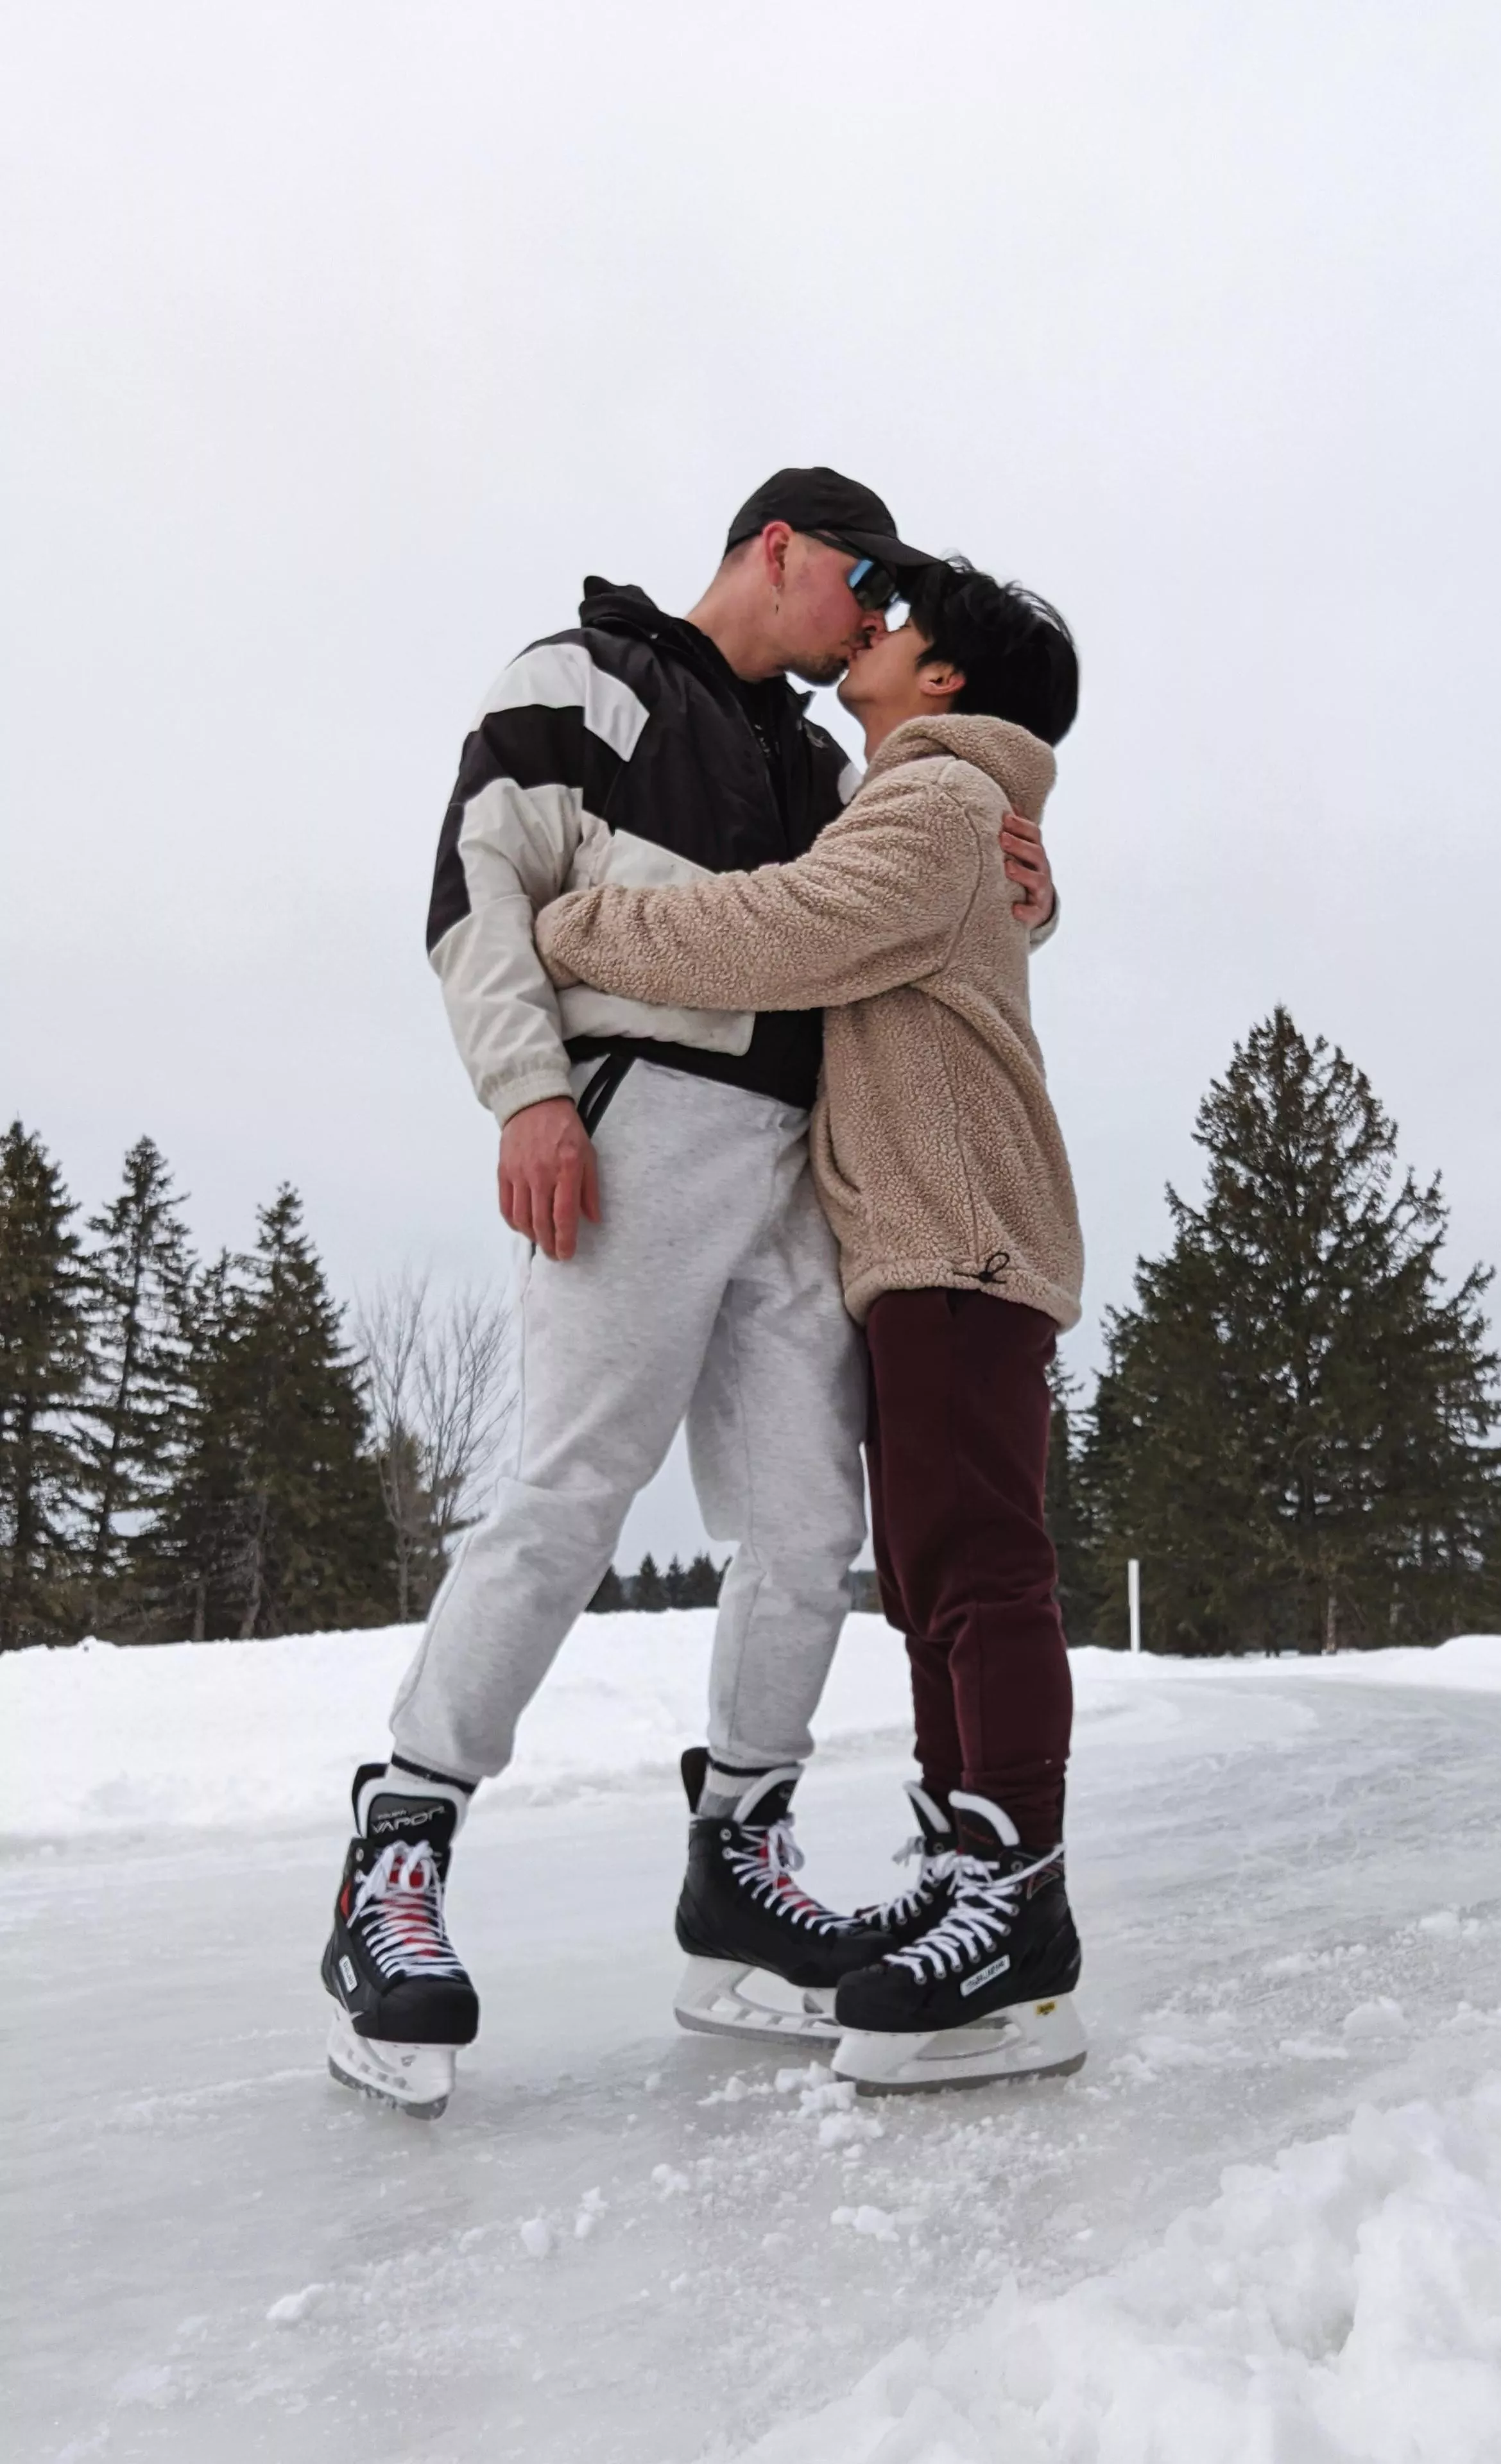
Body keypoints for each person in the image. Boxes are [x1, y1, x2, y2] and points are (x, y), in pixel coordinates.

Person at [320, 474, 1059, 2118]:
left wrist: (1027, 871)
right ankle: (399, 1847)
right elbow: (476, 889)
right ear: (774, 546)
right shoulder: (582, 677)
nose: (871, 621)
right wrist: (526, 1094)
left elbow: (902, 900)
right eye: (857, 583)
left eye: (893, 608)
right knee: (572, 1493)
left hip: (802, 1164)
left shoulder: (820, 763)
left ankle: (739, 1860)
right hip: (637, 1130)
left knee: (805, 1531)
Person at [533, 558, 1088, 2089]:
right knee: (922, 1571)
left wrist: (575, 931)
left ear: (950, 680)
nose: (872, 633)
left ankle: (1022, 1898)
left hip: (961, 1225)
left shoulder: (936, 799)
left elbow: (785, 930)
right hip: (911, 1235)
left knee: (975, 1562)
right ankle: (968, 1862)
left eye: (898, 628)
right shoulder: (934, 803)